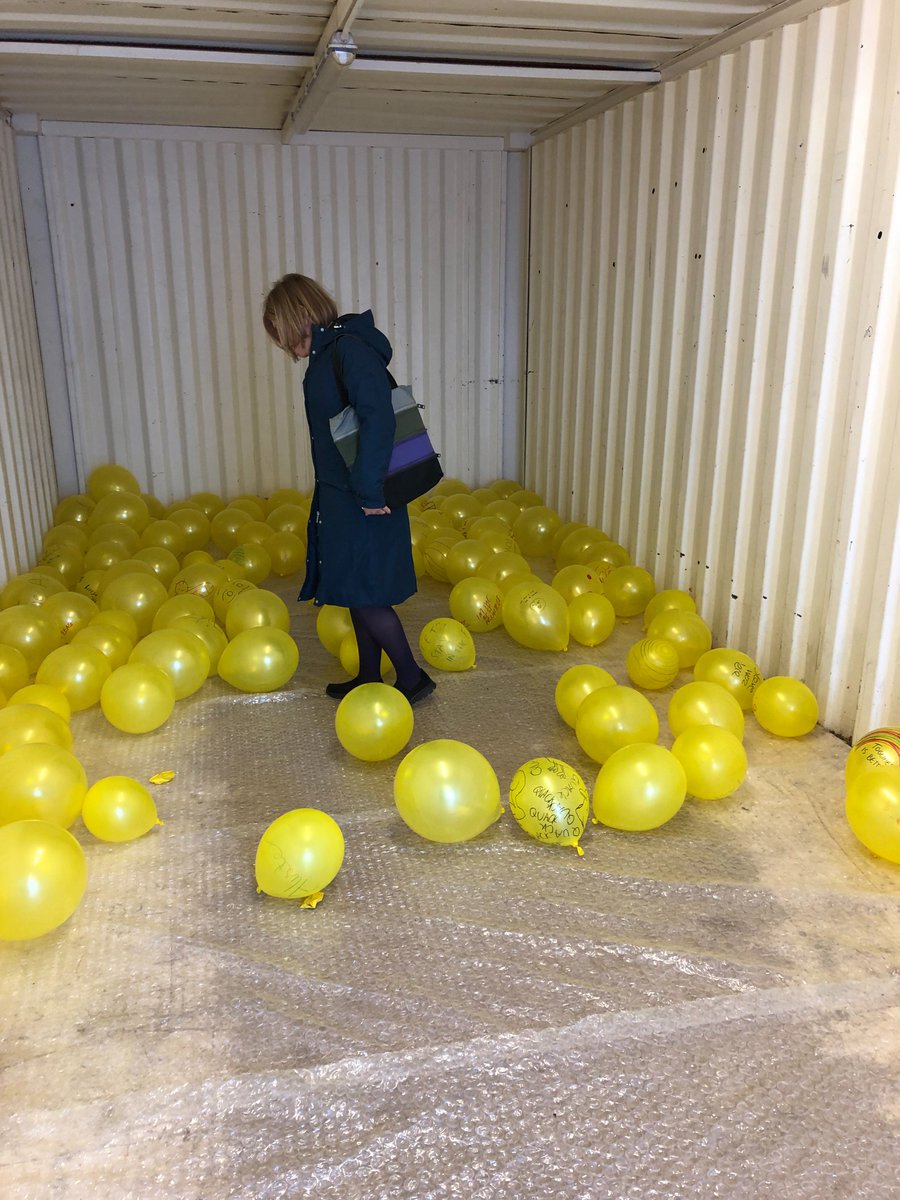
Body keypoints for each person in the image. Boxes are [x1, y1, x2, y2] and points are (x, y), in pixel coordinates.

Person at [263, 273, 435, 704]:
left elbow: (379, 418)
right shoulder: (327, 355)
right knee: (357, 589)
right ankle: (369, 676)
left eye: (283, 334)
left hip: (365, 494)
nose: (284, 346)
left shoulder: (349, 351)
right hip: (343, 493)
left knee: (368, 592)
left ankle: (413, 678)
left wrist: (370, 491)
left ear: (300, 314)